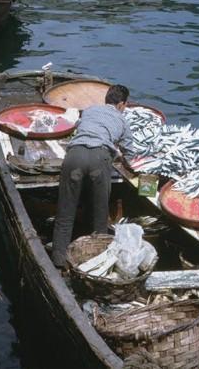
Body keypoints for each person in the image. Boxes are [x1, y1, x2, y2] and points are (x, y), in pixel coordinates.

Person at [52, 84, 135, 269]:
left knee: (65, 214)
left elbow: (79, 127)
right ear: (122, 104)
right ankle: (97, 265)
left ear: (106, 100)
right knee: (100, 215)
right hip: (99, 159)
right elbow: (129, 150)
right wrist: (129, 164)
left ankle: (58, 262)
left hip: (74, 157)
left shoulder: (89, 110)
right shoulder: (121, 120)